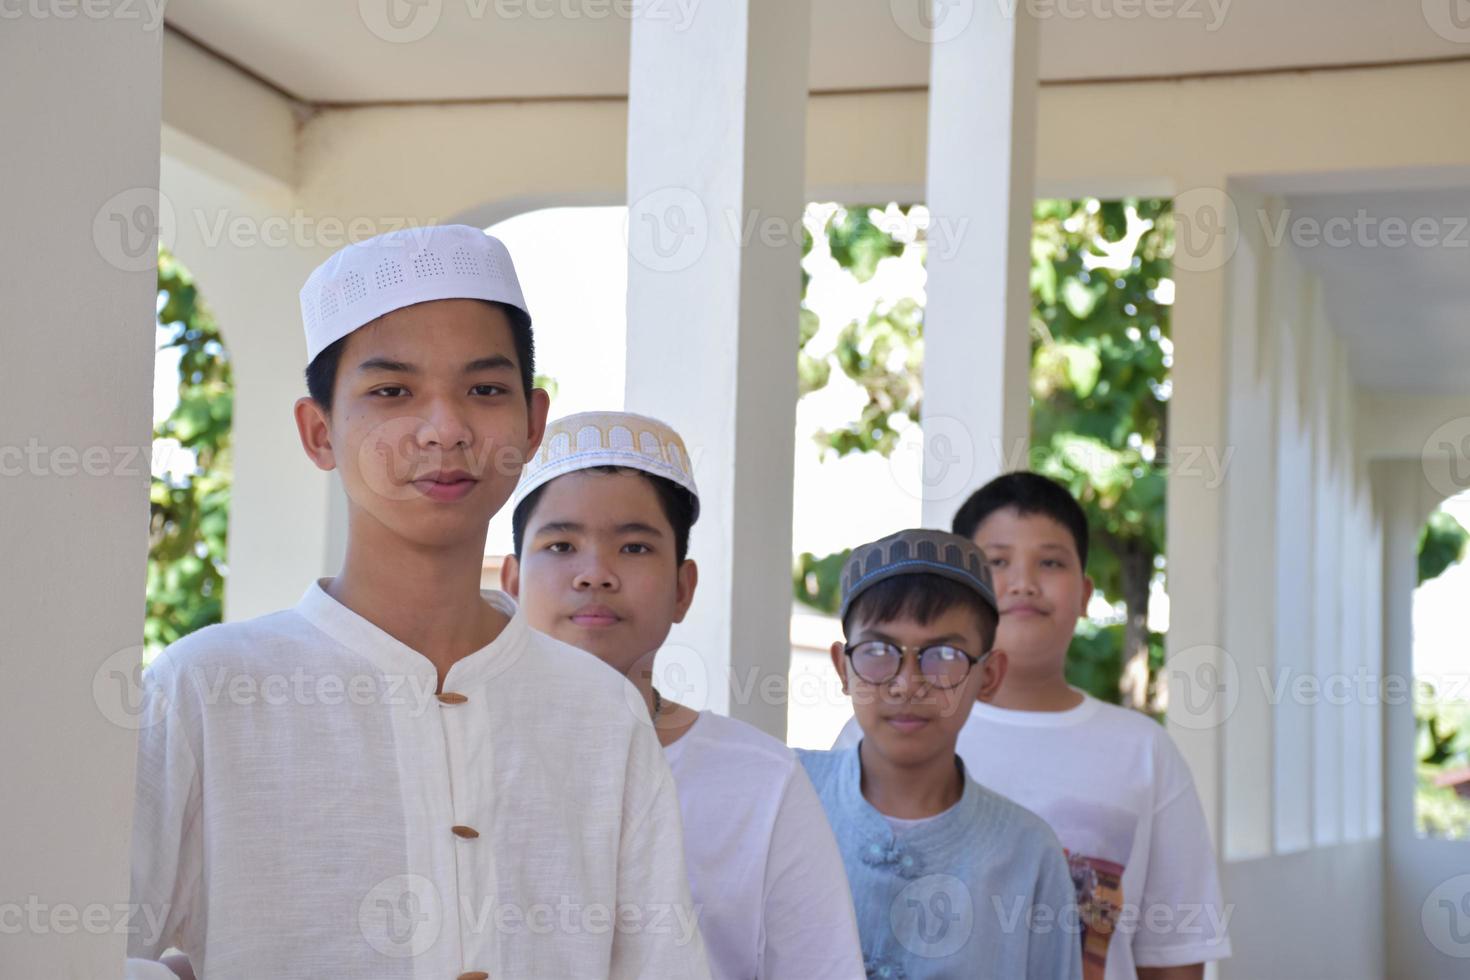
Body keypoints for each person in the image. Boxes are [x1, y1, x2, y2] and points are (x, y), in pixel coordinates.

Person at [126, 226, 710, 980]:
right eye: (392, 392)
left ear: (532, 423)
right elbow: (73, 951)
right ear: (319, 431)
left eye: (485, 390)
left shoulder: (598, 713)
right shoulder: (207, 690)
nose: (446, 429)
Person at [501, 409, 865, 980]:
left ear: (682, 589)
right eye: (561, 545)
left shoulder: (760, 782)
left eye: (635, 548)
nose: (595, 573)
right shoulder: (457, 752)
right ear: (512, 582)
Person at [835, 473, 1232, 980]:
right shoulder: (889, 731)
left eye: (1050, 562)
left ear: (1086, 593)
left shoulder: (1145, 751)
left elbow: (1173, 955)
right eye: (997, 562)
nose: (1023, 581)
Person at [803, 529, 1082, 980]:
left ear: (989, 675)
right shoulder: (785, 798)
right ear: (843, 666)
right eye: (877, 651)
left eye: (943, 655)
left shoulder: (1029, 853)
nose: (907, 683)